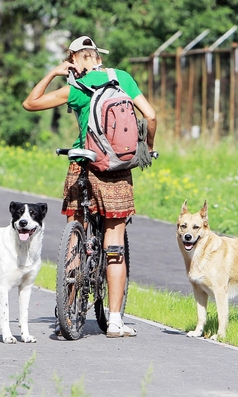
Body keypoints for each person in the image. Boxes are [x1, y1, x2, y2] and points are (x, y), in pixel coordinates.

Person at [22, 35, 156, 337]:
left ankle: (64, 316)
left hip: (82, 166)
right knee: (114, 246)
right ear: (98, 56)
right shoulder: (122, 79)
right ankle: (116, 322)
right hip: (116, 171)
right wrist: (146, 147)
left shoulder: (74, 89)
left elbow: (30, 103)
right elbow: (151, 115)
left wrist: (54, 73)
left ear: (75, 59)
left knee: (75, 240)